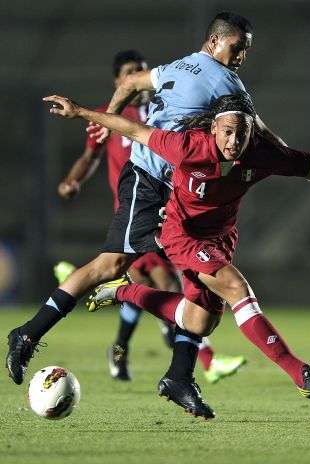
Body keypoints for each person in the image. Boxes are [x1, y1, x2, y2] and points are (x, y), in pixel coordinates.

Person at [41, 92, 310, 419]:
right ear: (213, 128)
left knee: (198, 321)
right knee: (236, 288)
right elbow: (133, 128)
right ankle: (301, 373)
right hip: (181, 235)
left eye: (241, 133)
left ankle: (121, 291)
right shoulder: (188, 146)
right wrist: (80, 112)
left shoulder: (261, 154)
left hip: (220, 239)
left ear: (253, 132)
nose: (233, 141)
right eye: (226, 132)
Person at [6, 12, 286, 392]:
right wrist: (287, 159)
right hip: (150, 180)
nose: (241, 57)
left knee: (192, 276)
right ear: (215, 42)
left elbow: (131, 82)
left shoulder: (179, 65)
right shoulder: (225, 81)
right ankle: (28, 333)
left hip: (171, 185)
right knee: (112, 265)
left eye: (246, 50)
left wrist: (109, 116)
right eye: (238, 48)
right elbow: (262, 134)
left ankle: (181, 376)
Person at [55, 50, 246, 384]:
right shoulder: (108, 116)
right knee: (166, 284)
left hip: (165, 209)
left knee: (154, 285)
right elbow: (90, 156)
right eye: (131, 71)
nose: (138, 75)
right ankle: (202, 361)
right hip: (133, 211)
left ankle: (123, 349)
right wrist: (73, 180)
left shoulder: (164, 113)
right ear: (119, 81)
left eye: (141, 70)